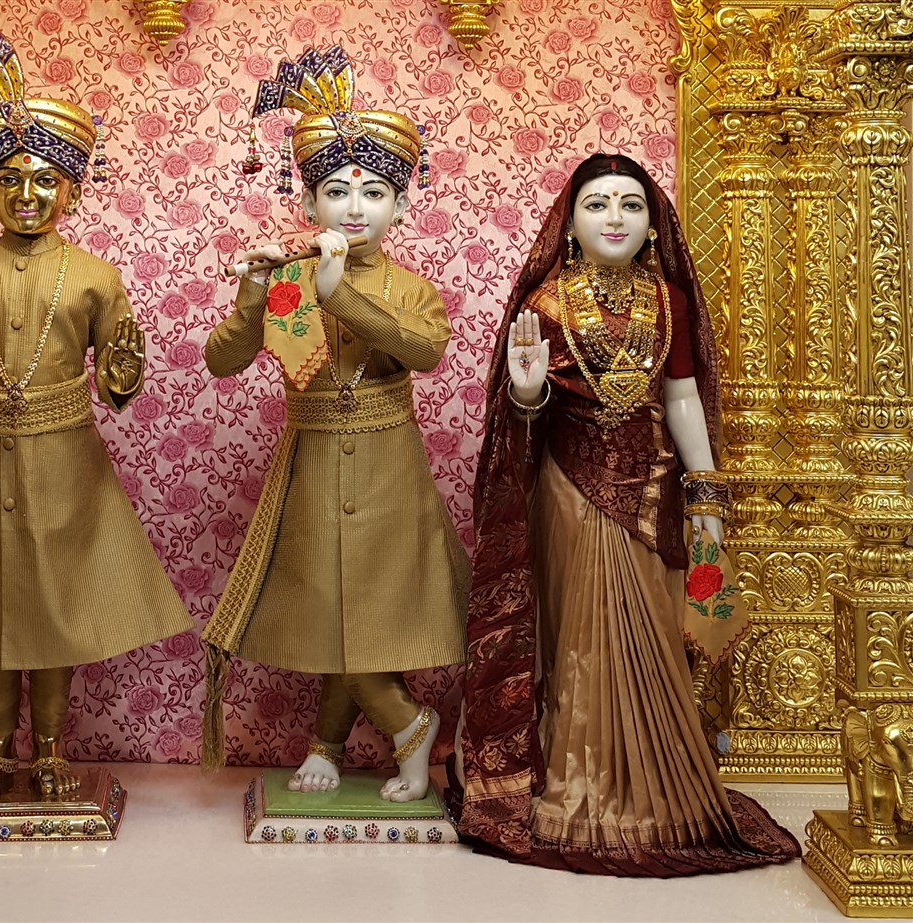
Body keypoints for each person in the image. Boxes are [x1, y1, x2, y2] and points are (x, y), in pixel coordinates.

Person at [454, 153, 800, 873]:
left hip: (654, 488)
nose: (615, 217)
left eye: (631, 204)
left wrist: (706, 492)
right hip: (571, 485)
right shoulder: (546, 304)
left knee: (653, 624)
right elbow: (522, 419)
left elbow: (682, 397)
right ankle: (576, 790)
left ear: (651, 226)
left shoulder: (668, 299)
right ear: (570, 224)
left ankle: (663, 794)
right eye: (598, 203)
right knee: (579, 634)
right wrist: (525, 391)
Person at [0, 34, 192, 799]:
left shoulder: (93, 277)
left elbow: (118, 372)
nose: (25, 194)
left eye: (43, 180)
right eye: (8, 179)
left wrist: (122, 368)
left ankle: (53, 748)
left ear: (72, 193)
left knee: (55, 608)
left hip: (65, 461)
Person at [201, 46, 469, 803]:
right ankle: (334, 740)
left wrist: (337, 293)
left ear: (401, 205)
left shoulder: (410, 288)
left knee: (369, 609)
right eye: (336, 191)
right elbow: (223, 361)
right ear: (309, 201)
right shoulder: (286, 278)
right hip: (312, 461)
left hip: (389, 467)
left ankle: (401, 728)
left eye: (374, 192)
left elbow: (424, 352)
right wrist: (255, 296)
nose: (355, 207)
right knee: (329, 604)